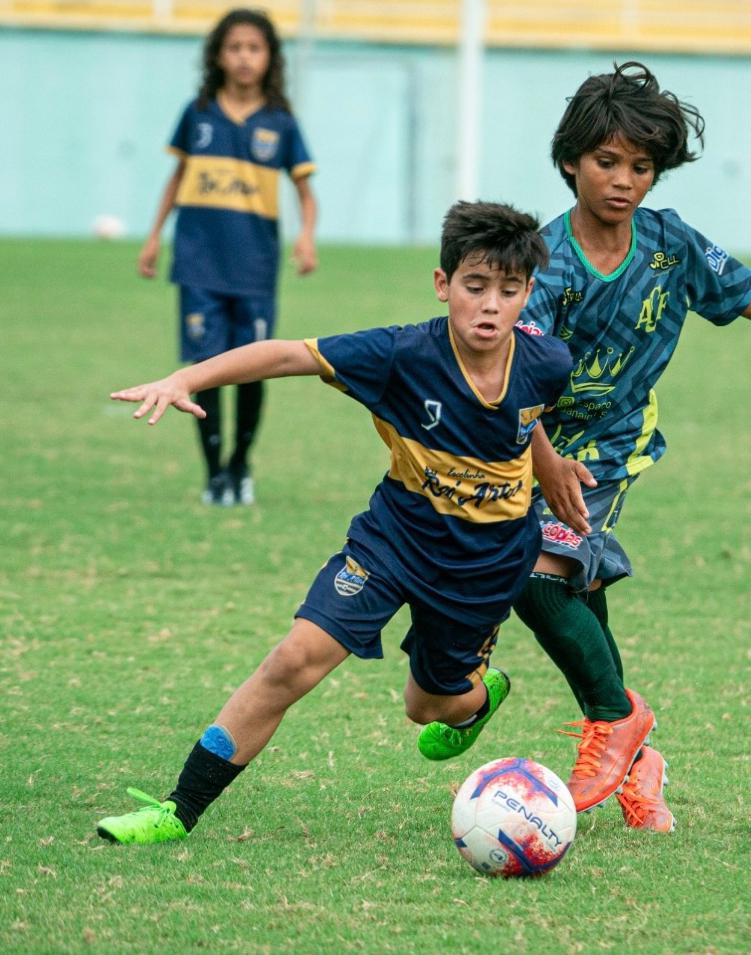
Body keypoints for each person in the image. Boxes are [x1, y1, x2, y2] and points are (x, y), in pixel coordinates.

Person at [96, 201, 572, 845]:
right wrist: (189, 376)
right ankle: (177, 810)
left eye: (508, 291)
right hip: (395, 538)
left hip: (484, 563)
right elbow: (289, 354)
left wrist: (551, 470)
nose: (490, 305)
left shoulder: (548, 362)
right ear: (443, 285)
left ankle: (481, 696)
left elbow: (526, 417)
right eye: (475, 286)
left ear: (527, 295)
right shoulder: (402, 354)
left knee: (427, 707)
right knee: (294, 660)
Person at [510, 62, 751, 833]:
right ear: (571, 160)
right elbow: (508, 371)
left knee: (534, 572)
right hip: (526, 439)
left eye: (642, 167)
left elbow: (745, 289)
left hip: (609, 443)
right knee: (571, 590)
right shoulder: (545, 260)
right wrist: (539, 455)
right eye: (608, 162)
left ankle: (612, 718)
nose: (625, 181)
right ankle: (637, 759)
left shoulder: (669, 245)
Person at [138, 8, 318, 507]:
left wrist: (306, 237)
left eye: (254, 48)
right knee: (206, 368)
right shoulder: (197, 113)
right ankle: (214, 472)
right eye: (235, 47)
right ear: (218, 55)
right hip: (198, 264)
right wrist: (154, 236)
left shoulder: (280, 123)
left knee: (253, 368)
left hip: (254, 268)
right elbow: (175, 181)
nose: (244, 57)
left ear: (269, 58)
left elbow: (306, 193)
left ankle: (241, 464)